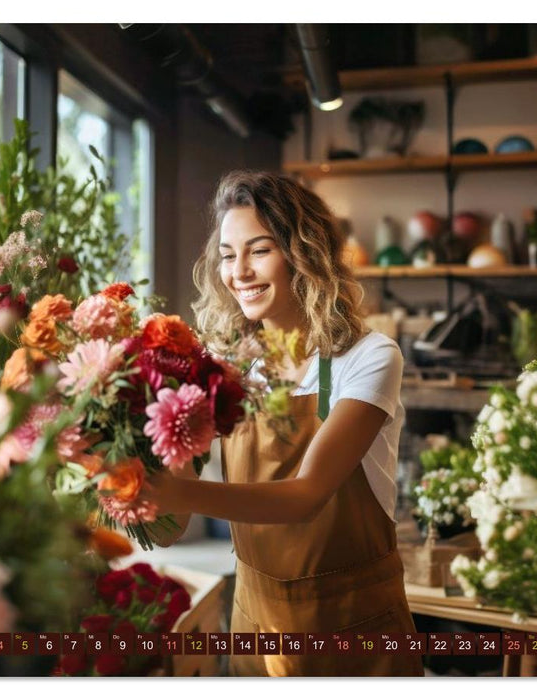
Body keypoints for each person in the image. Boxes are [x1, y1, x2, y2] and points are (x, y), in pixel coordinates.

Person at [143, 171, 423, 677]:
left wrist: (174, 493)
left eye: (259, 249)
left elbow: (307, 494)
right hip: (256, 629)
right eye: (228, 255)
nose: (240, 271)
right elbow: (172, 526)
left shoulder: (366, 357)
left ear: (303, 252)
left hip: (355, 630)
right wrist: (127, 480)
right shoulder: (224, 368)